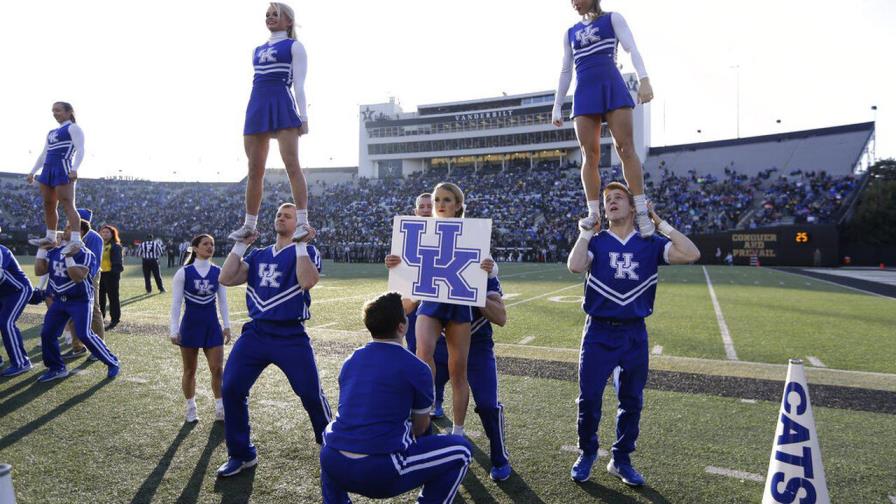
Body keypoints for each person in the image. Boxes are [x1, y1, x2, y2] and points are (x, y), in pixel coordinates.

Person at [566, 182, 700, 485]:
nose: (611, 202)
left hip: (633, 333)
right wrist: (585, 232)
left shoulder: (649, 242)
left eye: (618, 198)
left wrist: (658, 221)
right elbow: (575, 266)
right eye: (607, 199)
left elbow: (691, 253)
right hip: (598, 331)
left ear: (632, 206)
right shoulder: (597, 241)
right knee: (589, 399)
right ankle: (587, 452)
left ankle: (621, 458)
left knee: (631, 400)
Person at [319, 292, 472, 504]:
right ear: (402, 326)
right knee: (461, 450)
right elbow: (420, 427)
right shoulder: (418, 367)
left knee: (333, 442)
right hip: (380, 471)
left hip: (333, 461)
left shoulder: (350, 360)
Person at [216, 203, 331, 477]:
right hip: (256, 332)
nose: (281, 217)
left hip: (290, 334)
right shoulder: (258, 254)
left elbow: (306, 281)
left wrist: (301, 245)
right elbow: (226, 277)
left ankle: (331, 443)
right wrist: (240, 246)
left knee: (310, 393)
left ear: (298, 223)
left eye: (288, 215)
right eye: (279, 214)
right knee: (231, 388)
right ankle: (241, 454)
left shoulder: (309, 251)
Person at [551, 0, 655, 236]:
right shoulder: (570, 32)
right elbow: (566, 70)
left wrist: (644, 78)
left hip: (611, 84)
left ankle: (640, 210)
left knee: (625, 148)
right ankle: (593, 213)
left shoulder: (612, 18)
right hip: (585, 90)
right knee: (590, 155)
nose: (574, 3)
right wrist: (557, 105)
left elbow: (631, 48)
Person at [413, 183, 493, 438]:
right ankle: (423, 419)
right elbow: (410, 265)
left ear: (458, 205)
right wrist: (395, 262)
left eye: (447, 199)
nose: (440, 204)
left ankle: (458, 431)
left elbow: (488, 266)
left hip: (459, 301)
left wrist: (489, 266)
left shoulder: (472, 232)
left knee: (459, 371)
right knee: (423, 355)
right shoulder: (424, 231)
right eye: (437, 199)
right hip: (432, 299)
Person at [229, 2, 312, 244]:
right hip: (257, 105)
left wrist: (304, 117)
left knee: (291, 164)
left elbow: (299, 85)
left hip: (282, 103)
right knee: (255, 170)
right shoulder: (256, 49)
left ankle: (303, 222)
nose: (270, 17)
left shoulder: (295, 46)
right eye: (267, 14)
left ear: (288, 21)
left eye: (275, 14)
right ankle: (249, 225)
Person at [33, 225, 121, 382]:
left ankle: (112, 361)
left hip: (80, 300)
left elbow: (78, 277)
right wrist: (42, 249)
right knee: (47, 334)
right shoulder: (55, 251)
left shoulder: (86, 254)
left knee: (84, 334)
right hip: (60, 299)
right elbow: (39, 271)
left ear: (78, 233)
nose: (63, 231)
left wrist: (68, 256)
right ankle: (56, 368)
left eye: (67, 229)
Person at [169, 234, 232, 423]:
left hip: (212, 326)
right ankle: (191, 407)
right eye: (205, 244)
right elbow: (176, 303)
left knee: (217, 369)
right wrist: (174, 329)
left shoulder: (218, 271)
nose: (210, 247)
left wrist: (227, 326)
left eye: (212, 244)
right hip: (190, 326)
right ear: (195, 248)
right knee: (189, 370)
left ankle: (220, 407)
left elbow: (223, 302)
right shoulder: (184, 272)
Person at [26, 101, 86, 255]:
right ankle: (50, 237)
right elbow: (43, 153)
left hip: (63, 167)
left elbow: (80, 149)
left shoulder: (73, 128)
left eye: (58, 110)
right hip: (47, 169)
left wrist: (74, 169)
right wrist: (33, 171)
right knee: (48, 204)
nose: (55, 113)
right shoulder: (51, 132)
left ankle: (75, 239)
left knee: (67, 203)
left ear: (68, 112)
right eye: (53, 111)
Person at [61, 209, 106, 360]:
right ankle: (77, 346)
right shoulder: (74, 234)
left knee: (93, 310)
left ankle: (98, 347)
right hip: (74, 274)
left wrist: (85, 280)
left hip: (88, 276)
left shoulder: (93, 237)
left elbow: (94, 262)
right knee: (73, 310)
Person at [0, 224, 35, 377]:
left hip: (18, 290)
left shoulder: (2, 251)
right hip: (3, 292)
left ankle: (22, 362)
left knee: (6, 322)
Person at [99, 224, 123, 331]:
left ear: (112, 234)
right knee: (100, 298)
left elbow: (118, 263)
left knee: (113, 298)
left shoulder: (115, 246)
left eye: (107, 232)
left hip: (111, 275)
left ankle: (115, 319)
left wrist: (114, 274)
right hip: (100, 274)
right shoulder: (99, 244)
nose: (104, 234)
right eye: (103, 232)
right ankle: (100, 317)